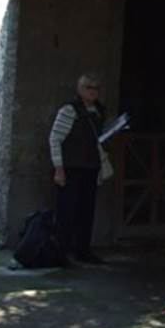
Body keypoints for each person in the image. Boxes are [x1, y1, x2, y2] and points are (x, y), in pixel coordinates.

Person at [49, 72, 108, 264]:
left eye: (96, 88)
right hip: (71, 168)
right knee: (66, 212)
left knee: (86, 211)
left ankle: (83, 251)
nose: (93, 91)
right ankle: (60, 253)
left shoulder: (99, 111)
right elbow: (55, 139)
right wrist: (59, 168)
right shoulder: (69, 111)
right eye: (88, 87)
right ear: (80, 89)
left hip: (90, 167)